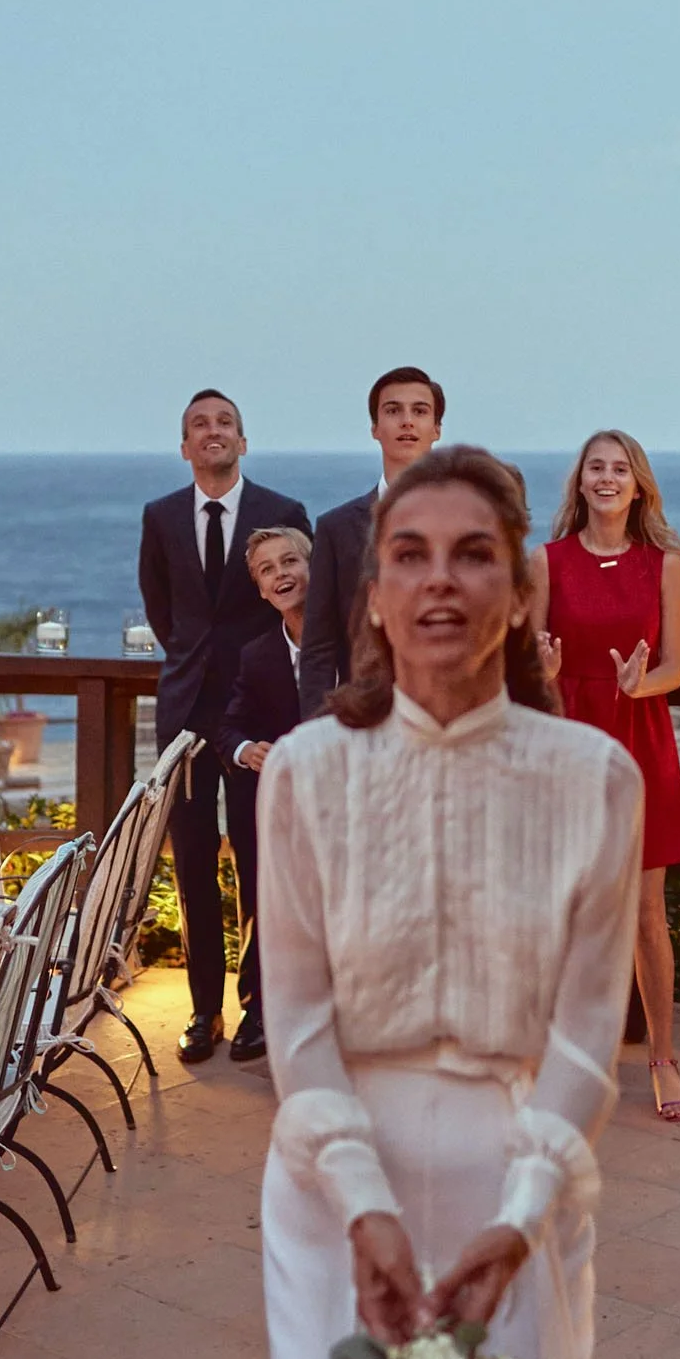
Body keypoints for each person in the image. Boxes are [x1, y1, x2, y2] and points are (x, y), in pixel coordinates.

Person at [257, 446, 642, 1359]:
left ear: (522, 587)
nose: (441, 583)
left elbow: (590, 1029)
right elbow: (299, 1024)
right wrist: (365, 1205)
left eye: (473, 554)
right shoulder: (307, 773)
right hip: (330, 1189)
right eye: (409, 555)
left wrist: (524, 1210)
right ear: (370, 597)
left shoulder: (594, 778)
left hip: (514, 1182)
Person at [138, 390, 310, 1066]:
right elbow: (164, 611)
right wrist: (192, 664)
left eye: (225, 423)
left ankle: (259, 1008)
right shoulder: (159, 518)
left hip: (258, 715)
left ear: (243, 440)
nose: (213, 432)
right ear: (184, 447)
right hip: (184, 712)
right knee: (193, 863)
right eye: (199, 425)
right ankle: (203, 1007)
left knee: (260, 856)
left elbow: (300, 605)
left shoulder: (283, 515)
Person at [531, 431, 680, 1124]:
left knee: (645, 916)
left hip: (637, 736)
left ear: (638, 486)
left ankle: (661, 1057)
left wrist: (638, 684)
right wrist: (539, 674)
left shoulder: (665, 564)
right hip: (566, 739)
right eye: (594, 468)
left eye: (618, 468)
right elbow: (528, 666)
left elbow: (676, 666)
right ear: (579, 483)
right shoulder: (545, 561)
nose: (605, 478)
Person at [214, 526, 312, 1059]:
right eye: (268, 570)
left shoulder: (355, 640)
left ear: (313, 568)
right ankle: (259, 1011)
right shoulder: (256, 655)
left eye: (291, 561)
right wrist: (247, 748)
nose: (282, 575)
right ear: (259, 589)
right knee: (259, 895)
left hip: (345, 804)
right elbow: (229, 728)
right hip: (279, 808)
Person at [297, 365, 444, 719]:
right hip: (366, 720)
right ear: (375, 428)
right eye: (393, 411)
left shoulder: (471, 521)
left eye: (419, 411)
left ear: (436, 429)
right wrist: (319, 736)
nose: (407, 421)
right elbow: (318, 648)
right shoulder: (335, 528)